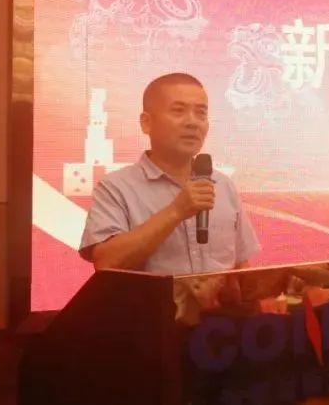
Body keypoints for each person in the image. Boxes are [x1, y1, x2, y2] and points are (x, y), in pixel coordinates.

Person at [79, 73, 260, 274]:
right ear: (146, 123)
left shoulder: (223, 185)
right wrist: (176, 211)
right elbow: (106, 263)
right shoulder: (116, 187)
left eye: (201, 114)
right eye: (178, 111)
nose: (193, 122)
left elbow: (240, 264)